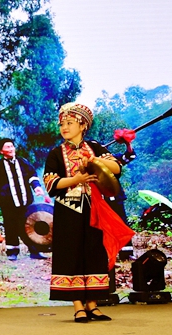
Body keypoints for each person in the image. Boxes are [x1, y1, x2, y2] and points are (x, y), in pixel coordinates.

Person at [44, 102, 133, 323]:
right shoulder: (56, 153)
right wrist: (77, 179)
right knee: (71, 253)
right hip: (68, 210)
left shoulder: (95, 147)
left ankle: (93, 305)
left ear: (83, 125)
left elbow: (116, 168)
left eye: (69, 123)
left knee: (94, 252)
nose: (64, 127)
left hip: (94, 207)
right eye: (62, 124)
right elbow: (51, 184)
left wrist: (94, 160)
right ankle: (78, 306)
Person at [0, 138, 48, 260]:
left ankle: (34, 251)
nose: (11, 149)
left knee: (30, 226)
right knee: (10, 226)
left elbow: (32, 176)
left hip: (26, 201)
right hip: (8, 203)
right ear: (1, 151)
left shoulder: (23, 162)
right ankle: (12, 252)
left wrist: (37, 187)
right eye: (7, 147)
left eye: (12, 146)